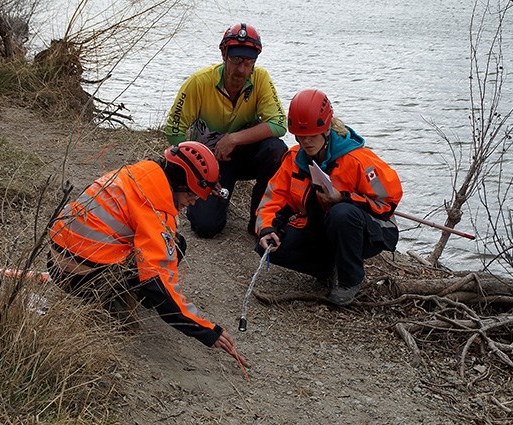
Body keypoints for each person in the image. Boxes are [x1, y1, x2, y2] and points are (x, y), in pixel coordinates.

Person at [48, 141, 248, 367]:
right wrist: (207, 331)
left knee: (175, 242)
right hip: (80, 277)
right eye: (192, 196)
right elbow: (159, 283)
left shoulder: (139, 174)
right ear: (181, 184)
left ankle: (123, 294)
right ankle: (111, 302)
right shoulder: (153, 210)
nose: (193, 202)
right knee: (170, 252)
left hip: (57, 261)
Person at [254, 88, 403, 306]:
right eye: (301, 137)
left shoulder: (359, 161)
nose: (306, 142)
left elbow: (387, 203)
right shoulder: (294, 159)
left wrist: (342, 197)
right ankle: (327, 269)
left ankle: (350, 278)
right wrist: (267, 229)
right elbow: (272, 199)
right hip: (319, 227)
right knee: (266, 246)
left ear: (326, 130)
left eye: (312, 136)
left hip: (370, 229)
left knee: (341, 213)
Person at [164, 23, 288, 238]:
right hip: (209, 160)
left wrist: (233, 138)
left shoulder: (261, 79)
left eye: (248, 62)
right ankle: (208, 201)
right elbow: (174, 129)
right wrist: (192, 174)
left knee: (276, 149)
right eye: (236, 60)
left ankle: (259, 219)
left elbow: (279, 123)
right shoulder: (199, 82)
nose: (242, 69)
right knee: (206, 227)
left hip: (245, 154)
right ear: (223, 54)